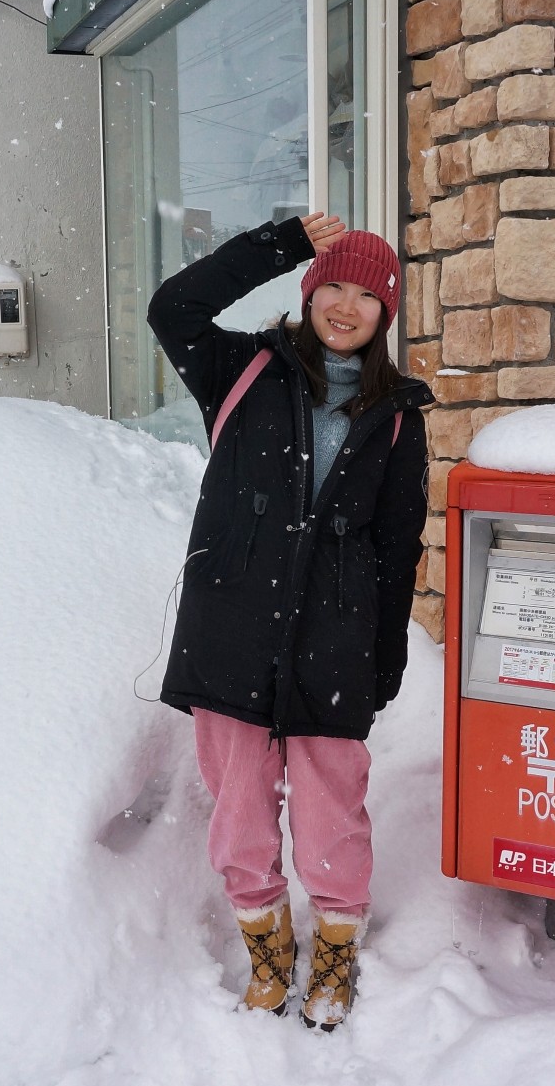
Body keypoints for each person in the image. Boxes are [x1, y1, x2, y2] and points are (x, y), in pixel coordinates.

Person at [148, 212, 432, 1031]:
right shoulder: (242, 370)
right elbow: (173, 308)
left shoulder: (400, 418)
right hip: (232, 628)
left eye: (366, 294)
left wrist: (383, 662)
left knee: (330, 811)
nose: (346, 305)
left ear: (387, 313)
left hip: (333, 644)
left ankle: (335, 946)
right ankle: (268, 946)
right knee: (237, 807)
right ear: (309, 291)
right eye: (331, 284)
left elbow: (395, 547)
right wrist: (280, 245)